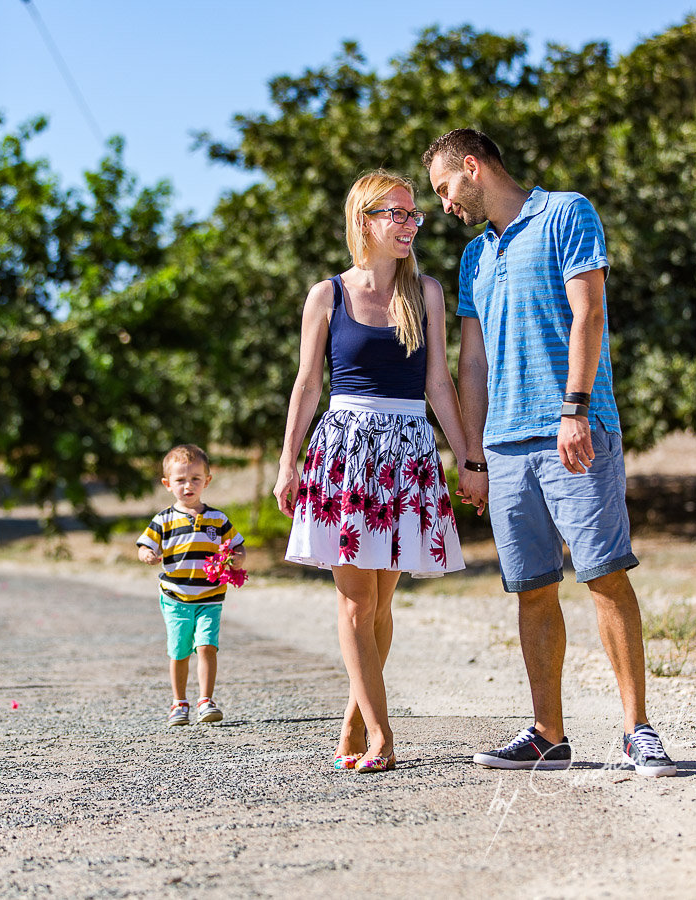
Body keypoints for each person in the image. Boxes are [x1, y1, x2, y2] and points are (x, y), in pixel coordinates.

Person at [423, 128, 676, 777]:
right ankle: (548, 734)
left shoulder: (567, 213)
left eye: (446, 189)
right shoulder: (474, 258)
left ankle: (637, 730)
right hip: (506, 450)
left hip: (574, 431)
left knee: (604, 574)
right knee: (532, 589)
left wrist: (574, 409)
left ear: (472, 168)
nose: (445, 205)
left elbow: (589, 314)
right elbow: (471, 363)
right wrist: (473, 459)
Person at [273, 170, 474, 774]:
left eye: (415, 215)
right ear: (365, 220)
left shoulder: (429, 293)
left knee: (383, 606)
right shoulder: (326, 295)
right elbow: (308, 385)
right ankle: (383, 734)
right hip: (346, 454)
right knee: (357, 605)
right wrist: (289, 460)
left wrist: (468, 459)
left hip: (409, 453)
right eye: (398, 213)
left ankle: (354, 721)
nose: (411, 224)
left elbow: (439, 383)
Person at [137, 444, 246, 727]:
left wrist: (236, 560)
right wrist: (147, 554)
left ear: (207, 481)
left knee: (207, 646)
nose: (189, 485)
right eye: (181, 480)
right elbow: (144, 545)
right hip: (175, 597)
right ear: (167, 484)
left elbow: (238, 547)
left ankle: (206, 700)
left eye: (196, 478)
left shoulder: (218, 519)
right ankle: (179, 702)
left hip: (210, 597)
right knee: (180, 650)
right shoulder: (163, 520)